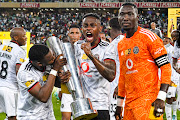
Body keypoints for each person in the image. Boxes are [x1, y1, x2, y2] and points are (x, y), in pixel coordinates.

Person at [115, 3, 171, 120]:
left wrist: (161, 97)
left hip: (148, 101)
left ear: (137, 17)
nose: (125, 18)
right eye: (122, 14)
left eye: (130, 14)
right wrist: (119, 104)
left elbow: (165, 67)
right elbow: (123, 75)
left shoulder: (149, 37)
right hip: (129, 105)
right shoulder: (121, 44)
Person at [74, 13, 116, 120]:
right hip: (81, 105)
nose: (88, 28)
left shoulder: (107, 48)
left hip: (100, 106)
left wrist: (91, 56)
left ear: (100, 28)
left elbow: (110, 75)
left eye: (92, 25)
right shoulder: (76, 47)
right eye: (85, 25)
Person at [16, 44, 71, 119]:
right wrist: (54, 70)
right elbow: (43, 97)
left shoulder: (47, 63)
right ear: (39, 64)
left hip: (48, 115)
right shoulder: (25, 73)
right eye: (51, 59)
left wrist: (61, 79)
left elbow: (54, 83)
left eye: (53, 56)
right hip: (30, 116)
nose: (54, 59)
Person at [0, 27, 27, 120]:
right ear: (15, 37)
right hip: (10, 88)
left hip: (1, 85)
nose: (26, 38)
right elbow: (18, 70)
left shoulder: (1, 47)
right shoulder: (20, 51)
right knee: (13, 116)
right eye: (23, 36)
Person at [60, 24, 82, 120]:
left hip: (82, 90)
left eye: (76, 33)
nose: (74, 35)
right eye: (72, 33)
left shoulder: (84, 49)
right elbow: (58, 67)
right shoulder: (61, 50)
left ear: (80, 35)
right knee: (66, 118)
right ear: (68, 34)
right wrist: (60, 73)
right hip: (67, 89)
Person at [105, 17, 124, 120]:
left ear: (110, 29)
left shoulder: (114, 45)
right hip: (123, 87)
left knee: (116, 116)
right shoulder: (126, 41)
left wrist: (119, 85)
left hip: (116, 88)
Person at [165, 30, 179, 120]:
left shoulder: (178, 48)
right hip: (171, 77)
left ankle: (174, 114)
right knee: (170, 97)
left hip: (178, 77)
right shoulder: (167, 49)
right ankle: (171, 117)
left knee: (174, 98)